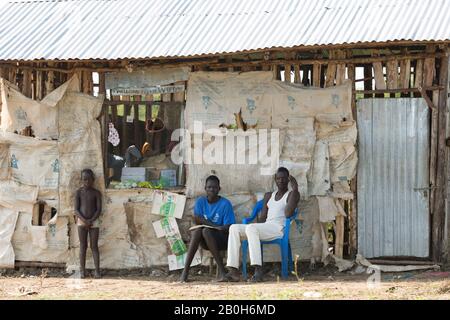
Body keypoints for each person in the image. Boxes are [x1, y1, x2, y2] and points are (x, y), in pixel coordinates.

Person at [225, 167, 300, 282]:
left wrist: (295, 189)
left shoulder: (291, 194)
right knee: (234, 228)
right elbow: (262, 219)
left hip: (278, 229)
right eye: (278, 178)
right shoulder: (268, 196)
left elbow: (288, 213)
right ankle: (233, 270)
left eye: (284, 178)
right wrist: (256, 230)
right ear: (275, 179)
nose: (281, 181)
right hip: (267, 226)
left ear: (288, 180)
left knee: (251, 227)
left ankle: (258, 270)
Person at [180, 175, 236, 283]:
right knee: (197, 232)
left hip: (222, 240)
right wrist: (214, 226)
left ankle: (223, 271)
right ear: (205, 188)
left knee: (206, 231)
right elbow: (198, 219)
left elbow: (229, 226)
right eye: (209, 187)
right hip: (207, 241)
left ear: (219, 189)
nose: (212, 190)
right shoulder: (201, 201)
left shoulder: (225, 204)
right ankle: (185, 271)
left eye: (214, 187)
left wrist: (217, 229)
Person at [74, 169, 102, 279]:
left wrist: (91, 220)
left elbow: (99, 209)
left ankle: (97, 271)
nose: (87, 182)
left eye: (89, 179)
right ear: (81, 180)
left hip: (94, 221)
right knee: (83, 246)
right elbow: (76, 210)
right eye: (84, 179)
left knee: (94, 246)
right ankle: (82, 271)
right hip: (82, 221)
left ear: (93, 180)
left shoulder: (96, 193)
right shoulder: (78, 192)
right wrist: (85, 221)